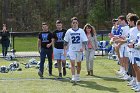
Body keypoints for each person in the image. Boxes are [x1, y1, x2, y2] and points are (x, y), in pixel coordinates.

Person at [64, 17, 88, 82]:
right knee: (72, 63)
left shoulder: (81, 31)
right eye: (73, 23)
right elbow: (65, 42)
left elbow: (85, 41)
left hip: (79, 49)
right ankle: (73, 77)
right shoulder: (69, 31)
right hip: (72, 49)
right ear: (71, 23)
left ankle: (78, 75)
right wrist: (65, 50)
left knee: (79, 64)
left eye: (76, 23)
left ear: (78, 23)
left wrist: (82, 48)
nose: (75, 24)